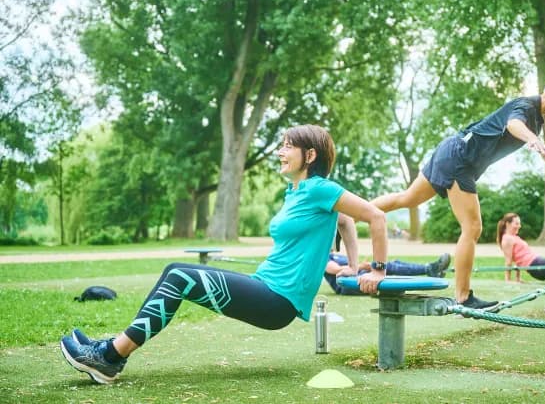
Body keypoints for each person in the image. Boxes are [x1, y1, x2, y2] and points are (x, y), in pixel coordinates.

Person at [60, 124, 389, 384]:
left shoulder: (321, 188)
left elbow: (375, 216)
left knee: (179, 277)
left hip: (278, 301)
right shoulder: (296, 192)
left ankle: (109, 357)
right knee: (175, 270)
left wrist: (376, 270)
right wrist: (348, 265)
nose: (280, 152)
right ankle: (112, 352)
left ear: (311, 155)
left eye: (288, 146)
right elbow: (344, 221)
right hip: (265, 286)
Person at [370, 74, 545, 309]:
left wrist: (533, 136)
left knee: (407, 198)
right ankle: (463, 298)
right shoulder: (526, 107)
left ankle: (349, 213)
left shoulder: (536, 117)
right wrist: (533, 140)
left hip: (453, 149)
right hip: (460, 159)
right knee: (472, 227)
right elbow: (513, 124)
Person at [324, 252, 452, 295]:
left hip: (359, 277)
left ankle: (429, 269)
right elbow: (335, 270)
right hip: (348, 285)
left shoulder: (334, 254)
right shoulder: (323, 258)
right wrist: (363, 266)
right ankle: (429, 269)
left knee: (391, 264)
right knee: (387, 266)